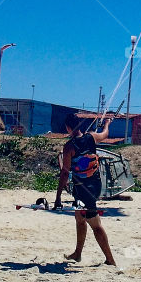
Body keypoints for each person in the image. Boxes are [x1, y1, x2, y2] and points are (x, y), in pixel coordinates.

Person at [54, 112, 116, 266]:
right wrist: (107, 123)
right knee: (80, 218)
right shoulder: (92, 137)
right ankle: (78, 254)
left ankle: (110, 259)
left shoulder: (69, 146)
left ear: (68, 128)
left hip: (84, 189)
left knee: (94, 223)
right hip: (95, 185)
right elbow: (105, 134)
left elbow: (65, 172)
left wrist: (58, 197)